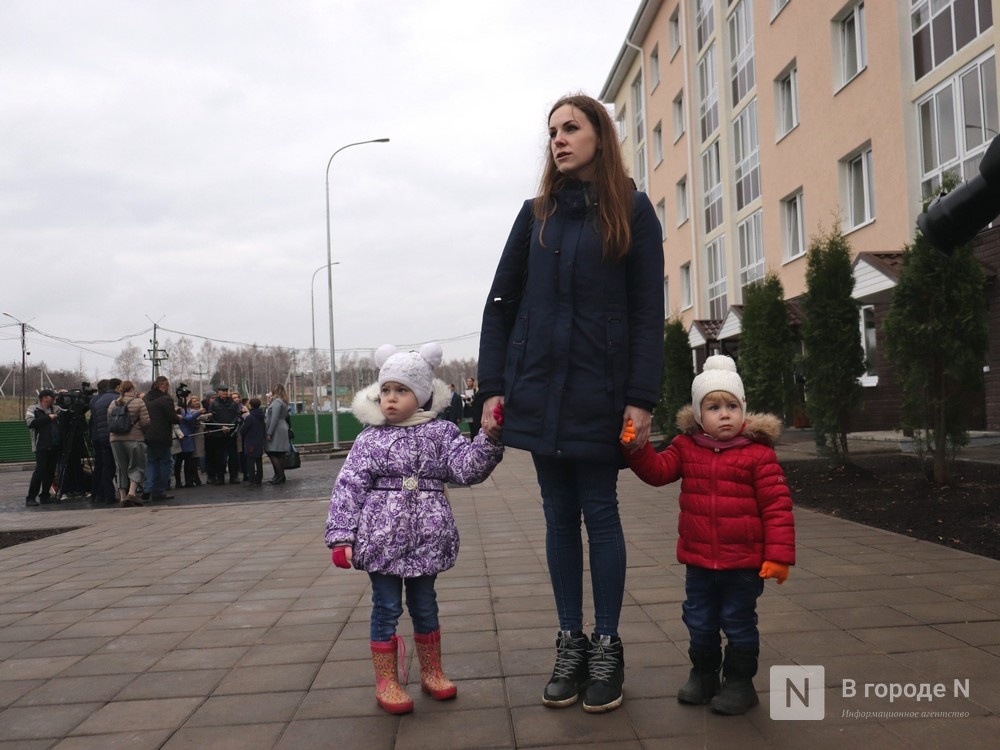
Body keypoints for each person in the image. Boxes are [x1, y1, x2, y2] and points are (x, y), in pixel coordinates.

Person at [477, 93, 664, 713]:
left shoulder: (633, 211)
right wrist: (493, 387)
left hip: (601, 394)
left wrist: (641, 398)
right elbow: (500, 304)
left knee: (600, 513)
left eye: (571, 128)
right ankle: (570, 643)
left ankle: (606, 645)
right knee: (557, 517)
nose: (557, 139)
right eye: (552, 131)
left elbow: (647, 312)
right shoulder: (535, 216)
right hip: (537, 392)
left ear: (599, 137)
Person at [325, 343, 504, 715]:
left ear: (421, 395)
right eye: (386, 390)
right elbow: (349, 486)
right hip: (380, 540)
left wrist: (489, 438)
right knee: (386, 607)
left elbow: (466, 469)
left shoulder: (442, 434)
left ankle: (432, 672)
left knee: (425, 605)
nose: (390, 398)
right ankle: (387, 681)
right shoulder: (370, 438)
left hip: (428, 537)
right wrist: (341, 535)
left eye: (401, 390)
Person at [621, 355, 796, 715]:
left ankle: (740, 683)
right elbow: (658, 471)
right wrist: (635, 447)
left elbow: (778, 508)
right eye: (714, 407)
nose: (725, 414)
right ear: (699, 415)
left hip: (743, 564)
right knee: (699, 621)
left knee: (738, 622)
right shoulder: (686, 448)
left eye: (732, 406)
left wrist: (778, 556)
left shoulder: (759, 455)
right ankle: (703, 676)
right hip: (699, 562)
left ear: (743, 409)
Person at [108, 380, 150, 506]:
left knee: (120, 467)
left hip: (115, 439)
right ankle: (131, 493)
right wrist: (142, 432)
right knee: (136, 465)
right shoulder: (139, 402)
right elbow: (145, 422)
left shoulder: (113, 403)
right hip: (134, 438)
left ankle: (122, 497)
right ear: (132, 389)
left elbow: (109, 421)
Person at [143, 376, 180, 501]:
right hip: (162, 435)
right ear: (164, 386)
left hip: (148, 434)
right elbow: (172, 418)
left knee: (152, 462)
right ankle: (159, 491)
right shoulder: (165, 399)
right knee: (166, 462)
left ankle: (147, 489)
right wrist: (179, 417)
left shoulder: (146, 398)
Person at [24, 389, 62, 506]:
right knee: (40, 471)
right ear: (44, 398)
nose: (53, 399)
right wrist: (48, 417)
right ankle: (31, 497)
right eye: (51, 397)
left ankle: (45, 495)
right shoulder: (33, 409)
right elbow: (30, 423)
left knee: (50, 472)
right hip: (41, 445)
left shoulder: (56, 409)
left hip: (55, 444)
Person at [89, 378, 122, 503]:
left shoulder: (95, 400)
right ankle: (111, 494)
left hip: (98, 435)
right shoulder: (117, 399)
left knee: (101, 466)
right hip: (112, 435)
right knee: (112, 466)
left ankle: (98, 493)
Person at [206, 384, 242, 485]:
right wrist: (221, 426)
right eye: (223, 390)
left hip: (231, 433)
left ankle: (233, 476)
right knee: (219, 457)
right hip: (218, 434)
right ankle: (220, 477)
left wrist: (230, 426)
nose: (225, 392)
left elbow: (237, 415)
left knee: (233, 456)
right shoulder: (214, 403)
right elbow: (211, 418)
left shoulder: (233, 403)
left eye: (226, 390)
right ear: (218, 392)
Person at [175, 395, 205, 488]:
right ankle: (179, 481)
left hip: (188, 435)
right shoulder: (181, 410)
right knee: (180, 460)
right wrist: (199, 412)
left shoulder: (186, 409)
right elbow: (188, 418)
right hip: (184, 436)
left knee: (187, 461)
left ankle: (188, 481)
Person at [264, 383, 291, 485]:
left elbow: (274, 418)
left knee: (272, 452)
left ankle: (279, 475)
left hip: (276, 429)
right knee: (280, 454)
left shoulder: (277, 402)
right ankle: (280, 475)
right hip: (282, 428)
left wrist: (269, 432)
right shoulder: (283, 402)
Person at [240, 397, 267, 486]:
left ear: (250, 405)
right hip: (259, 440)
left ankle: (252, 480)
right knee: (258, 460)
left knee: (250, 461)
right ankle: (259, 479)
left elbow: (243, 430)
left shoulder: (250, 417)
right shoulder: (262, 416)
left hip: (250, 441)